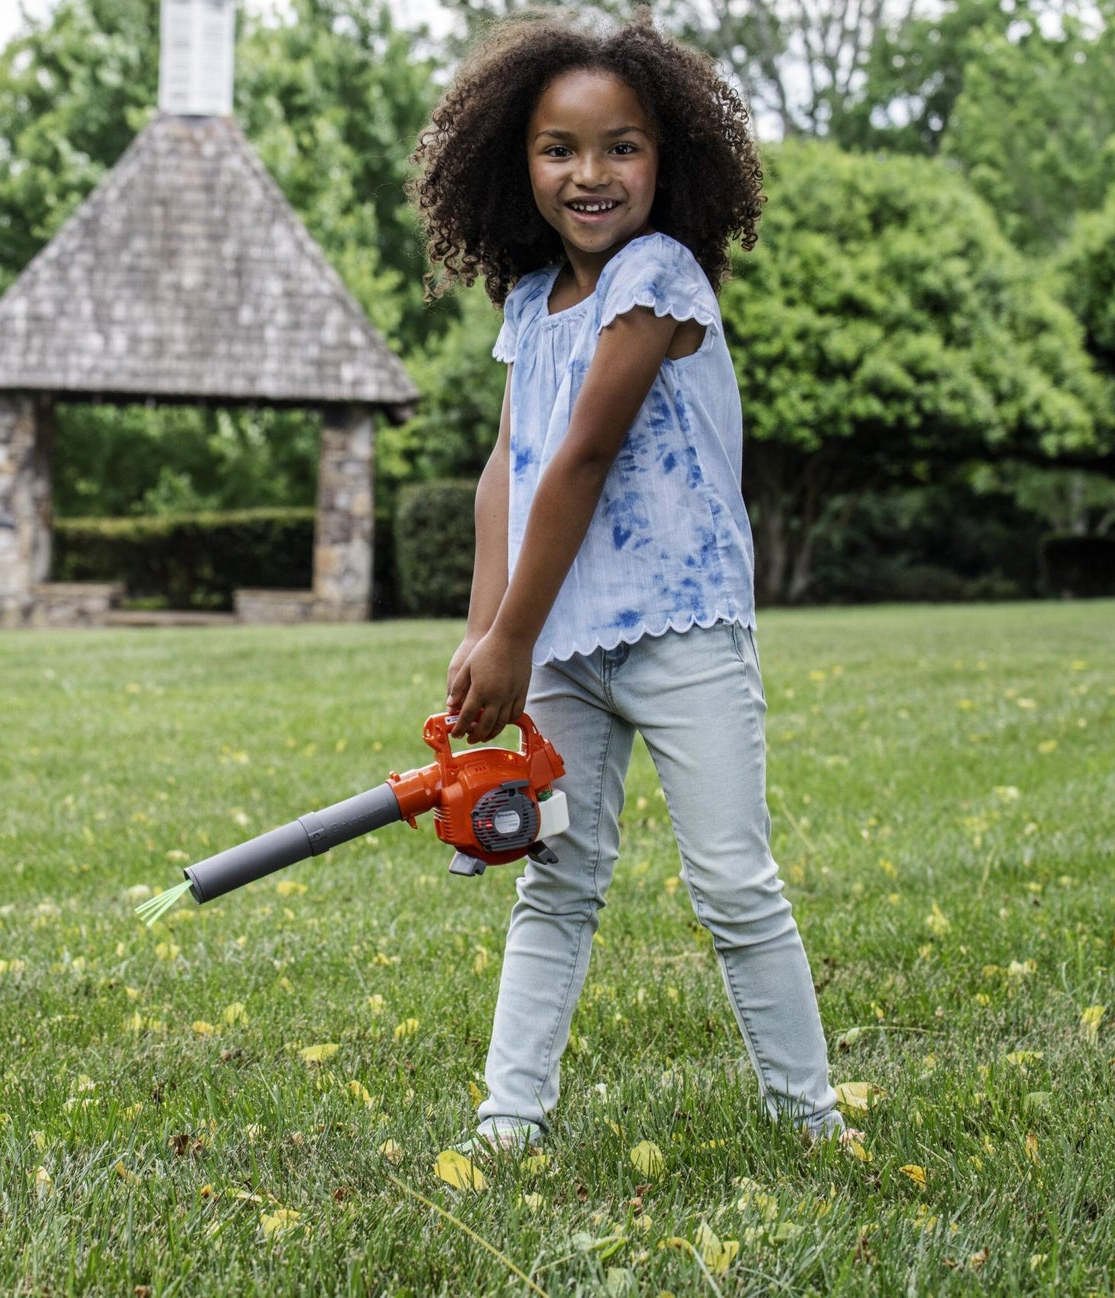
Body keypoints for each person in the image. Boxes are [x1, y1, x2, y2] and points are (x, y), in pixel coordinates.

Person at [406, 11, 858, 1155]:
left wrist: (511, 634)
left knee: (731, 882)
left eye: (622, 146)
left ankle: (809, 1120)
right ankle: (508, 1121)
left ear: (670, 158)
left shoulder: (659, 275)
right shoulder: (526, 302)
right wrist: (483, 638)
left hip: (680, 633)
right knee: (551, 880)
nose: (590, 173)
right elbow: (505, 476)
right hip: (557, 645)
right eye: (559, 148)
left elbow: (583, 456)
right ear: (517, 162)